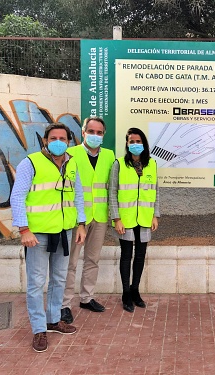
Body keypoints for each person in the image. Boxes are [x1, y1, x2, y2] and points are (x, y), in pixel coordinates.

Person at [10, 123, 87, 352]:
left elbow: (78, 196)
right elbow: (17, 197)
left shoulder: (72, 163)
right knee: (36, 283)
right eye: (53, 137)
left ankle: (53, 320)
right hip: (38, 235)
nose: (58, 141)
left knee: (59, 279)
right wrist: (24, 229)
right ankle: (38, 330)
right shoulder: (30, 162)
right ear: (45, 140)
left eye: (63, 138)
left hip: (63, 231)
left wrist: (81, 224)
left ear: (69, 141)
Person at [61, 117, 115, 323]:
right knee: (71, 262)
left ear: (103, 135)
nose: (95, 135)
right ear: (83, 133)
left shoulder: (109, 156)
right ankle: (64, 304)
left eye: (99, 132)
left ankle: (86, 297)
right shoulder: (71, 154)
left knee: (92, 259)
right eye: (91, 131)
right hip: (77, 219)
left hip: (99, 217)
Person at [109, 127, 159, 312]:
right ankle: (125, 293)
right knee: (126, 256)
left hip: (145, 218)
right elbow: (112, 192)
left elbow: (156, 191)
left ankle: (135, 290)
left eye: (138, 142)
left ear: (144, 144)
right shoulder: (119, 164)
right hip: (126, 218)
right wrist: (116, 218)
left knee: (140, 256)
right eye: (132, 142)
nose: (135, 145)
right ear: (127, 144)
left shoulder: (152, 164)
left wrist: (155, 214)